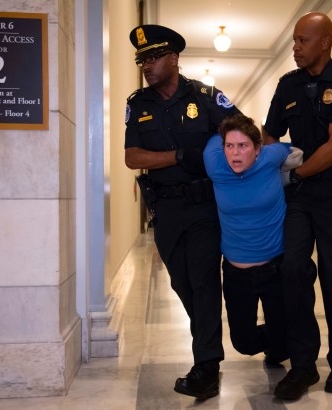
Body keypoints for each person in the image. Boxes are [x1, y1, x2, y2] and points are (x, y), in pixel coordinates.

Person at [124, 24, 242, 400]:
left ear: (174, 59)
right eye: (142, 59)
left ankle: (207, 366)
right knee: (183, 284)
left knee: (205, 281)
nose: (147, 64)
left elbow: (241, 133)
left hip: (204, 206)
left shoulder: (206, 97)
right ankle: (209, 344)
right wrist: (176, 156)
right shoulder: (138, 104)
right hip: (166, 209)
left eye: (154, 57)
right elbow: (132, 157)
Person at [263, 12, 332, 400]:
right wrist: (272, 160)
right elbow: (269, 132)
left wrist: (296, 172)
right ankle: (303, 366)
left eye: (302, 41)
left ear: (324, 42)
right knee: (292, 269)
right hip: (299, 196)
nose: (295, 47)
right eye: (293, 40)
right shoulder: (287, 85)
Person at [203, 114, 302, 367]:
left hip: (274, 269)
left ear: (257, 149)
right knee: (243, 344)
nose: (235, 153)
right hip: (237, 274)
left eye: (243, 146)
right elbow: (215, 135)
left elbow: (294, 150)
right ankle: (278, 334)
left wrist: (289, 177)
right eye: (230, 146)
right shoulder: (215, 164)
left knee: (282, 350)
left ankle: (280, 339)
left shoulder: (270, 157)